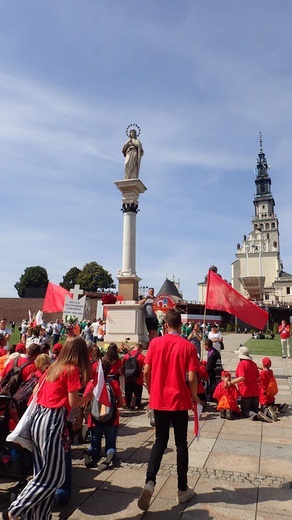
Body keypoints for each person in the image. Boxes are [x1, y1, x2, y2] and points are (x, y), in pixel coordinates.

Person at [4, 336, 93, 520]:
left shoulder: (53, 367)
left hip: (39, 418)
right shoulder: (71, 369)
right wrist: (88, 397)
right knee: (53, 477)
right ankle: (14, 511)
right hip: (52, 420)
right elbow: (74, 402)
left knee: (42, 471)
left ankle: (38, 516)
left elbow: (37, 392)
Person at [137, 309, 200, 512]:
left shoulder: (155, 343)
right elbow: (191, 377)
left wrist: (150, 389)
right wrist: (195, 396)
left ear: (165, 325)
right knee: (181, 444)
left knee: (159, 441)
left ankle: (149, 482)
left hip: (160, 400)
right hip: (180, 401)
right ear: (181, 325)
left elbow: (146, 371)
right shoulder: (188, 346)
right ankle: (182, 489)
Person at [83, 358, 123, 470]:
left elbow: (84, 404)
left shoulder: (91, 384)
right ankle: (110, 455)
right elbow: (120, 403)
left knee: (95, 447)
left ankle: (89, 452)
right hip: (111, 419)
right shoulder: (114, 383)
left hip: (94, 419)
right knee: (110, 445)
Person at [226, 346, 271, 422]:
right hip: (255, 390)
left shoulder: (242, 364)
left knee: (245, 412)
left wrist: (231, 382)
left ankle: (257, 416)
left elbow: (242, 377)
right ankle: (266, 411)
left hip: (246, 391)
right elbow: (258, 377)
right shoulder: (253, 363)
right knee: (254, 409)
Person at [121, 342, 145, 409]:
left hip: (128, 378)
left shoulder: (126, 356)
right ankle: (137, 405)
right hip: (138, 379)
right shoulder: (142, 356)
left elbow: (122, 366)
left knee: (128, 393)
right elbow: (145, 367)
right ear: (140, 349)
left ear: (134, 347)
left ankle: (128, 404)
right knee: (138, 393)